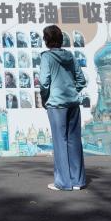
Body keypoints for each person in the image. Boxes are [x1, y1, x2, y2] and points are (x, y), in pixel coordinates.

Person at [39, 25, 88, 191]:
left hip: (56, 104)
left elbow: (44, 82)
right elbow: (81, 80)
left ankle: (63, 182)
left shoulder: (46, 57)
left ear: (46, 40)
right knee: (74, 141)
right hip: (73, 103)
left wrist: (45, 98)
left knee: (60, 142)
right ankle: (78, 181)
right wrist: (72, 91)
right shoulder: (70, 56)